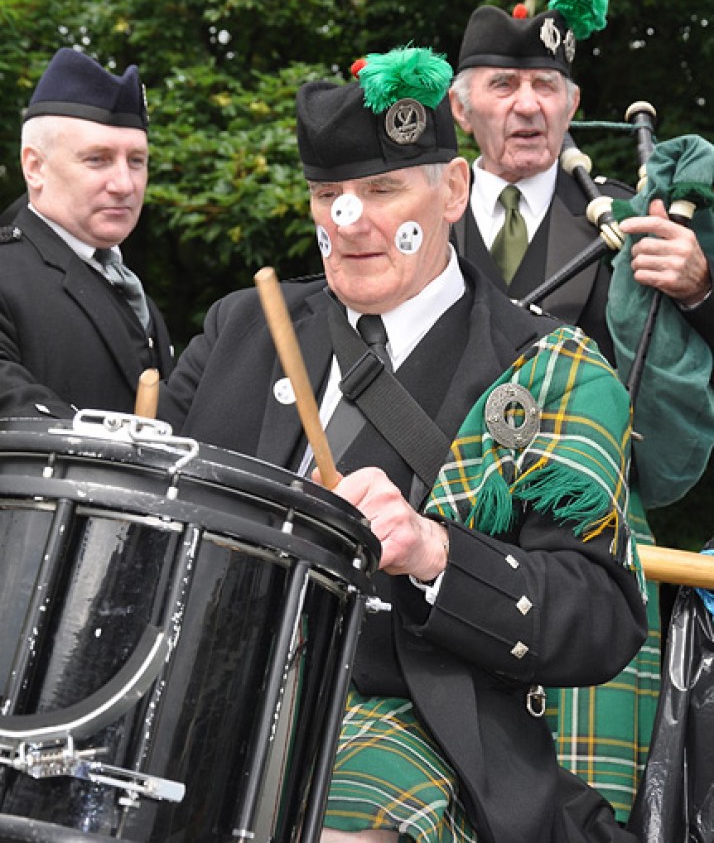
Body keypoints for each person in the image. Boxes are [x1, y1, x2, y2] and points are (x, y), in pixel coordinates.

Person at [158, 45, 647, 842]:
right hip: (210, 701)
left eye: (383, 189)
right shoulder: (241, 328)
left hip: (420, 728)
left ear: (453, 189)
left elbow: (599, 615)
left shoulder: (554, 366)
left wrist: (434, 551)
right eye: (328, 193)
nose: (350, 220)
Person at [448, 0, 714, 823]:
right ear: (461, 106)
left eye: (547, 87)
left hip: (592, 552)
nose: (527, 106)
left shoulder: (635, 226)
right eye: (503, 85)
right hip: (440, 528)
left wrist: (704, 290)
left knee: (579, 812)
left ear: (573, 104)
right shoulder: (409, 216)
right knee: (435, 786)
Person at [0, 47, 174, 420]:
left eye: (137, 161)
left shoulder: (126, 287)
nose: (124, 184)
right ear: (34, 168)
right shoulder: (7, 274)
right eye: (97, 159)